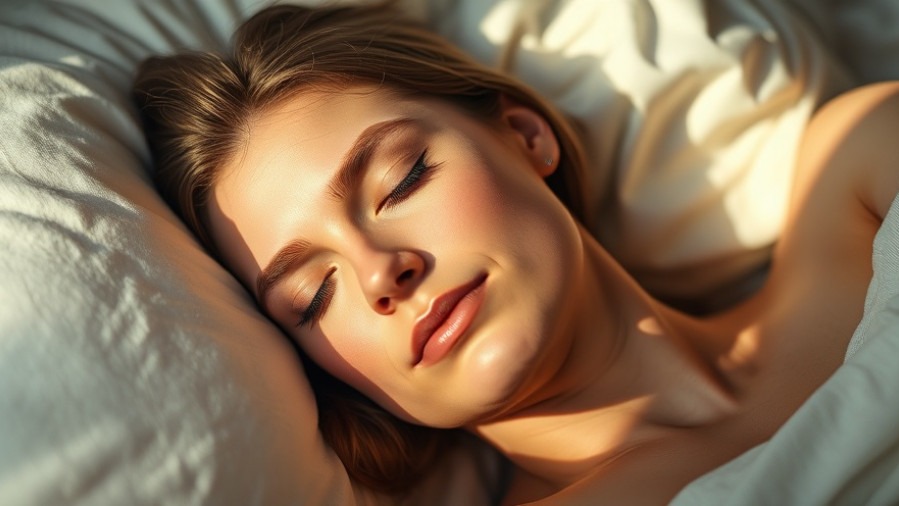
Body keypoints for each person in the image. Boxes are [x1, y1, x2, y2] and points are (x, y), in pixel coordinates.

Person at [132, 1, 899, 503]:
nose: (377, 273)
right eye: (312, 297)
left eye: (401, 180)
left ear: (525, 137)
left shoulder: (858, 171)